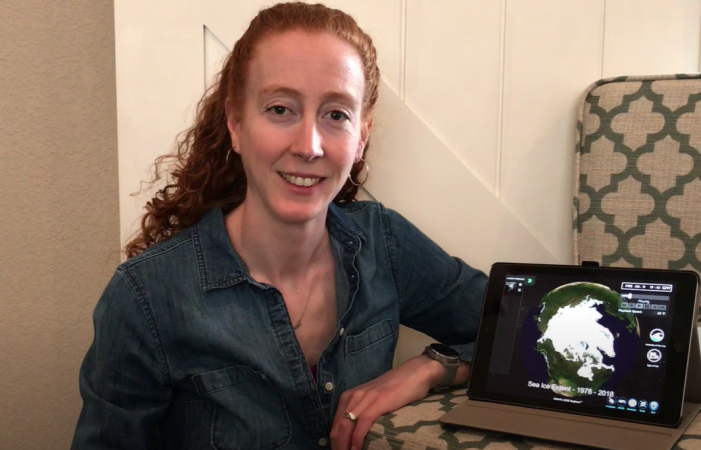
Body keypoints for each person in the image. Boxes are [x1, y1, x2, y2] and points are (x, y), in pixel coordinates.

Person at [71, 2, 487, 449]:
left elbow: (525, 329)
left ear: (360, 137)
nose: (309, 146)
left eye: (335, 115)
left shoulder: (384, 243)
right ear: (235, 123)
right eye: (280, 109)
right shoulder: (144, 297)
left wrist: (430, 367)